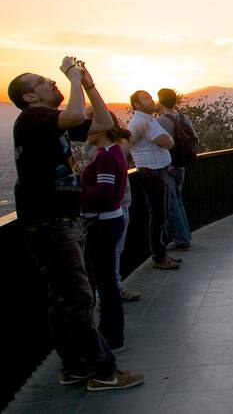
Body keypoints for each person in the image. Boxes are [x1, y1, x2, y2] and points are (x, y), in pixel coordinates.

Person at [8, 57, 144, 391]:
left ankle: (74, 367)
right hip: (50, 223)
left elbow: (101, 121)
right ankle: (102, 371)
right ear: (29, 96)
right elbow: (74, 114)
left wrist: (88, 85)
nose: (50, 82)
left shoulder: (47, 121)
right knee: (80, 299)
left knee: (64, 299)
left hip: (57, 222)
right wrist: (69, 76)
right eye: (42, 80)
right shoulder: (32, 118)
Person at [80, 112, 130, 353]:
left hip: (103, 222)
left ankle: (111, 335)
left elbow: (104, 192)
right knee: (106, 279)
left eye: (87, 129)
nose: (84, 134)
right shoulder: (114, 152)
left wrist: (76, 196)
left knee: (104, 280)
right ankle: (112, 333)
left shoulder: (106, 157)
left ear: (99, 130)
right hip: (110, 220)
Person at [128, 90, 180, 270]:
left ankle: (162, 253)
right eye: (146, 99)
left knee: (162, 214)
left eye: (151, 97)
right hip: (152, 173)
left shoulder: (149, 120)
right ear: (137, 104)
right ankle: (158, 257)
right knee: (158, 215)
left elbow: (168, 140)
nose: (151, 101)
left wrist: (169, 140)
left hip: (158, 172)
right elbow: (166, 142)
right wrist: (169, 140)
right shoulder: (141, 121)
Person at [156, 88, 195, 252]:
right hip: (182, 166)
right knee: (178, 201)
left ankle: (181, 238)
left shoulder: (160, 121)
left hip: (169, 166)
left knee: (172, 204)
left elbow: (158, 143)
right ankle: (185, 233)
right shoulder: (183, 117)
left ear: (160, 101)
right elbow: (195, 137)